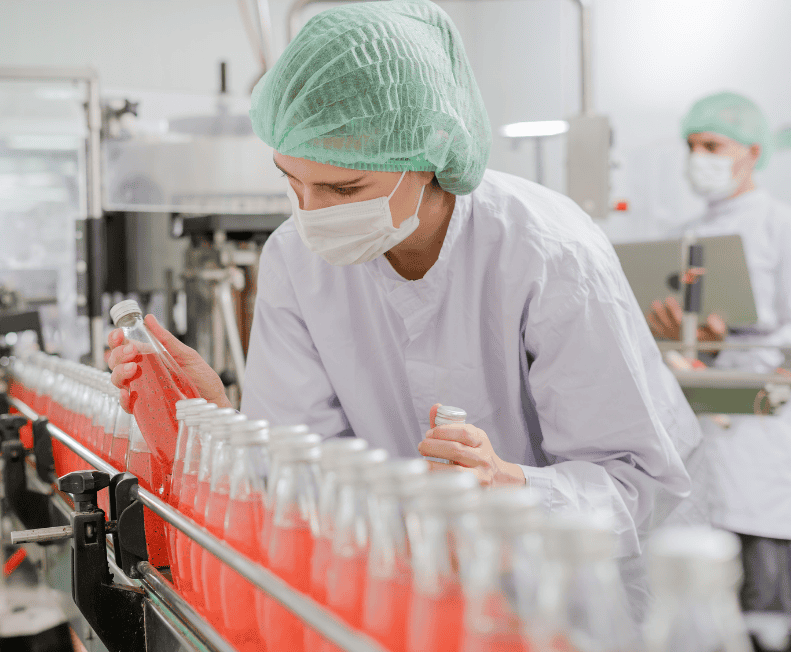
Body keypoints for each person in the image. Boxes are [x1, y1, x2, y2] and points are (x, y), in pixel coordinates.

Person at [108, 0, 699, 617]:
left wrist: (511, 486)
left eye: (343, 189)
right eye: (292, 181)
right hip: (409, 594)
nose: (311, 214)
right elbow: (300, 478)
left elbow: (638, 486)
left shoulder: (549, 254)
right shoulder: (295, 258)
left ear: (428, 156)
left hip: (576, 598)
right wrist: (219, 424)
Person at [648, 91, 791, 616]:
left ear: (753, 152)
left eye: (712, 144)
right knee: (700, 602)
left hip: (765, 440)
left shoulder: (780, 224)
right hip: (698, 432)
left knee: (762, 599)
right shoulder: (680, 238)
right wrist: (677, 340)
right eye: (691, 145)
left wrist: (730, 344)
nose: (698, 157)